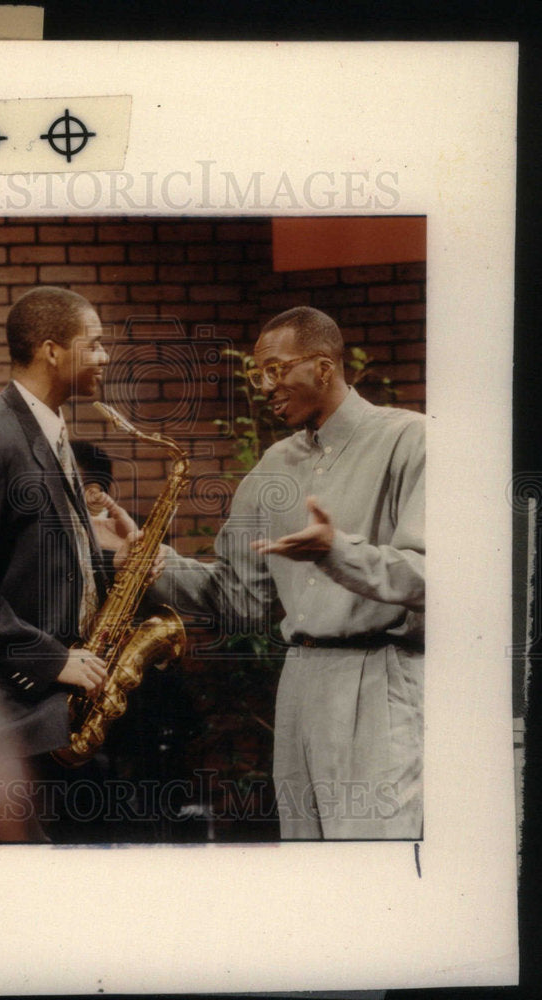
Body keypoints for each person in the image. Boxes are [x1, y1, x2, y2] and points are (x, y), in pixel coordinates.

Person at [150, 306, 425, 840]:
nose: (264, 387)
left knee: (372, 857)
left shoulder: (408, 440)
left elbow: (433, 578)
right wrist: (147, 560)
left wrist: (336, 550)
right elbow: (238, 601)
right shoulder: (272, 468)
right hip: (300, 679)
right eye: (258, 375)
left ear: (324, 367)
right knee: (307, 853)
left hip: (380, 673)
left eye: (276, 369)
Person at [0, 285, 160, 843]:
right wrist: (51, 659)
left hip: (51, 710)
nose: (104, 357)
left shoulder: (48, 430)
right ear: (51, 350)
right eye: (93, 345)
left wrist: (119, 564)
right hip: (15, 711)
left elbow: (35, 560)